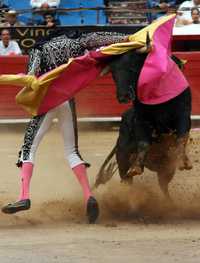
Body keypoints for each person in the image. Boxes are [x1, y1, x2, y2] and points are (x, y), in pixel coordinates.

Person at [1, 31, 128, 223]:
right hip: (66, 99)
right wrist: (127, 39)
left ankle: (24, 196)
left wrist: (5, 78)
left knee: (28, 149)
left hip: (47, 99)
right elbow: (102, 39)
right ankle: (89, 196)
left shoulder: (39, 48)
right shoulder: (76, 42)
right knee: (72, 151)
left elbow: (30, 79)